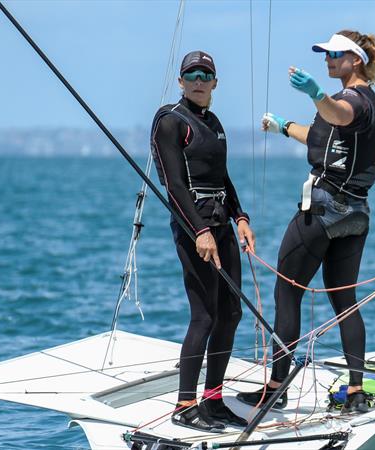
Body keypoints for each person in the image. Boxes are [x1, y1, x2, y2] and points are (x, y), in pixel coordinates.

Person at [236, 31, 375, 414]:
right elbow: (324, 136)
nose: (328, 60)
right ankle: (355, 392)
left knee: (287, 294)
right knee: (345, 301)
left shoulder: (352, 99)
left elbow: (340, 114)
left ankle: (276, 388)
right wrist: (284, 126)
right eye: (325, 55)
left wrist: (316, 94)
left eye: (335, 55)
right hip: (355, 215)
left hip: (322, 211)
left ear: (356, 60)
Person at [150, 50, 255, 432]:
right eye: (191, 74)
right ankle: (185, 404)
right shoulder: (171, 122)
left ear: (214, 83)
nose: (198, 80)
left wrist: (240, 217)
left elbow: (223, 178)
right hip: (195, 228)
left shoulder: (212, 122)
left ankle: (213, 399)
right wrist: (199, 230)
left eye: (205, 74)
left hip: (222, 225)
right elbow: (174, 186)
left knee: (231, 313)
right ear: (181, 81)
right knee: (204, 316)